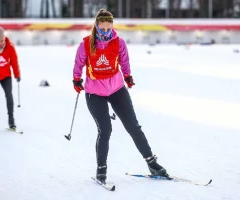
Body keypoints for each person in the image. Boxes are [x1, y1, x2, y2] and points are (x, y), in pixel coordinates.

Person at [72, 9, 169, 183]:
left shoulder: (119, 43)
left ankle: (152, 163)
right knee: (105, 129)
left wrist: (128, 76)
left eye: (109, 29)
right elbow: (79, 62)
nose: (106, 33)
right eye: (102, 29)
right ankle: (101, 169)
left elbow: (124, 61)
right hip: (95, 93)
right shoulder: (86, 44)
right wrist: (76, 80)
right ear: (96, 27)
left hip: (116, 89)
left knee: (133, 126)